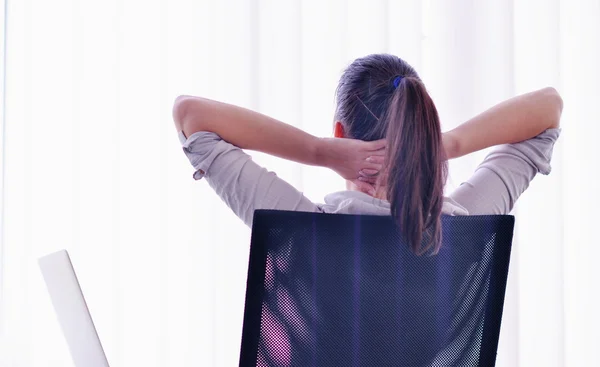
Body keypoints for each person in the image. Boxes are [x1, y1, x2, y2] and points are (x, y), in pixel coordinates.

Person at [172, 53, 562, 255]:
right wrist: (442, 144)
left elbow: (192, 116)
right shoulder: (463, 224)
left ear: (341, 133)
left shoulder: (301, 230)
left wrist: (319, 151)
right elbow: (548, 110)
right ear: (421, 127)